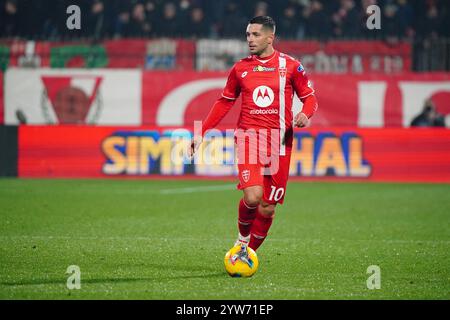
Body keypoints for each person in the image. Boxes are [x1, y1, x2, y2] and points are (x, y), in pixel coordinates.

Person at [189, 16, 318, 252]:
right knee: (252, 197)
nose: (250, 39)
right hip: (249, 140)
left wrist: (305, 115)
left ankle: (247, 254)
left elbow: (309, 98)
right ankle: (242, 239)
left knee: (268, 207)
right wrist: (201, 132)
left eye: (256, 34)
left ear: (270, 37)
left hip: (280, 144)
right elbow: (224, 102)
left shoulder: (290, 66)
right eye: (248, 34)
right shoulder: (240, 68)